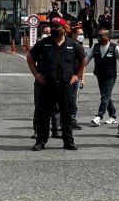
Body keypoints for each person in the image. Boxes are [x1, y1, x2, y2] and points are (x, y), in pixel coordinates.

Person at [27, 17, 84, 151]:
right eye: (52, 26)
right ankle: (41, 141)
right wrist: (36, 74)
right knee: (44, 114)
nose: (53, 29)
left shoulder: (73, 44)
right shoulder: (44, 43)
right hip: (47, 85)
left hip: (65, 85)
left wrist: (77, 75)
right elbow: (30, 56)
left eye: (57, 26)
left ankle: (68, 141)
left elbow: (83, 60)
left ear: (64, 29)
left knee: (67, 115)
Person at [84, 27, 119, 127]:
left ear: (107, 36)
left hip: (110, 75)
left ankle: (99, 116)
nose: (98, 37)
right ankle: (113, 116)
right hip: (99, 74)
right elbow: (87, 59)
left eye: (101, 35)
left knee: (105, 96)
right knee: (106, 96)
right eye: (98, 35)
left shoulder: (114, 47)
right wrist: (78, 70)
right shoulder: (95, 47)